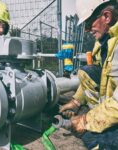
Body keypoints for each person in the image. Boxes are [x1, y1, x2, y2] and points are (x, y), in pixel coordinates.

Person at [59, 0, 118, 149]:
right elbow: (92, 77)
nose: (86, 30)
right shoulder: (104, 43)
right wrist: (76, 102)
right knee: (88, 71)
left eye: (88, 23)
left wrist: (86, 121)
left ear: (106, 16)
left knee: (94, 140)